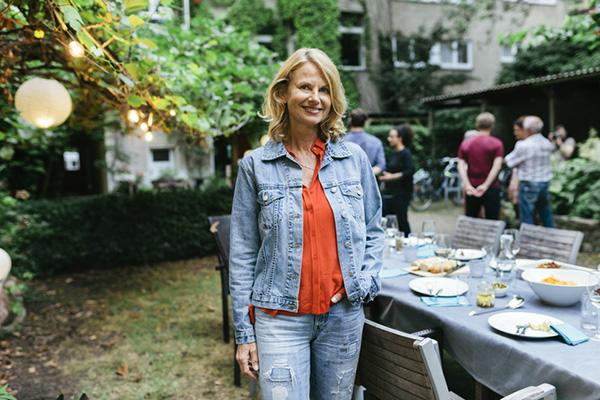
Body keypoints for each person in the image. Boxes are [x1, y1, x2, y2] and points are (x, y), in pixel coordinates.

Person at [229, 48, 384, 400]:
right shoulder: (255, 165)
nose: (316, 98)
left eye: (325, 89)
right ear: (283, 92)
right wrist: (244, 334)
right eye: (305, 87)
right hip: (279, 319)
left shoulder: (353, 159)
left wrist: (365, 281)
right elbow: (242, 253)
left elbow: (375, 229)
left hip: (342, 318)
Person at [505, 115, 555, 227]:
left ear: (528, 130)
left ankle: (527, 242)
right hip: (545, 183)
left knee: (527, 216)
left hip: (529, 184)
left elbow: (509, 161)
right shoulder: (547, 143)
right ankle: (553, 237)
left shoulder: (523, 145)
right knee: (546, 214)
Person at [457, 112, 504, 220]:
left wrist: (467, 185)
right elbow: (497, 166)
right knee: (492, 222)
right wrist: (486, 185)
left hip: (471, 188)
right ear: (492, 125)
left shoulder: (466, 143)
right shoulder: (497, 143)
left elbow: (461, 165)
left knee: (471, 220)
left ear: (477, 125)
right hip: (492, 188)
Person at [379, 125, 415, 236]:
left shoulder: (406, 153)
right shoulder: (392, 153)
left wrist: (392, 177)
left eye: (392, 136)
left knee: (402, 220)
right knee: (388, 220)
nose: (389, 139)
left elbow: (409, 171)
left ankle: (408, 241)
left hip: (402, 193)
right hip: (390, 194)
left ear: (400, 138)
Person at [345, 108, 386, 175]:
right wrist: (366, 174)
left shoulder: (340, 141)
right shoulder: (376, 141)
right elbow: (381, 165)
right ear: (365, 122)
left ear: (350, 121)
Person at [507, 116, 526, 205]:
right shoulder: (543, 142)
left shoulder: (521, 145)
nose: (515, 133)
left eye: (517, 130)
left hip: (525, 184)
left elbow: (509, 161)